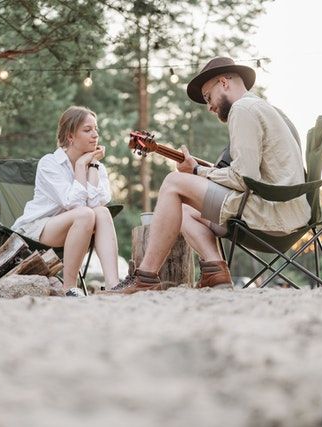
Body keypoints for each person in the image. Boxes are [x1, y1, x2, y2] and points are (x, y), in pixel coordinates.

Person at [111, 56, 310, 294]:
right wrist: (202, 173)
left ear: (224, 83)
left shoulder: (242, 109)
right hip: (285, 211)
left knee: (174, 182)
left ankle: (145, 276)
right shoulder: (260, 107)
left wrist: (197, 171)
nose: (209, 107)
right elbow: (249, 174)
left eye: (208, 97)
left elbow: (243, 179)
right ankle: (215, 270)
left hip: (271, 214)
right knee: (184, 208)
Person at [12, 106, 120, 296]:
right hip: (38, 231)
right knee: (85, 214)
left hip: (78, 227)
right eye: (87, 130)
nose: (95, 135)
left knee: (102, 212)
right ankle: (70, 287)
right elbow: (75, 205)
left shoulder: (97, 166)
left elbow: (96, 205)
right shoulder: (49, 163)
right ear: (70, 136)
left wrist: (92, 165)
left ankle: (114, 285)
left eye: (96, 129)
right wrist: (80, 166)